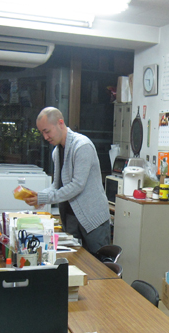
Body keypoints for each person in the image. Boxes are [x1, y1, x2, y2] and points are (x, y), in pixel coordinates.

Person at [24, 107, 110, 256]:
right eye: (42, 133)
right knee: (72, 262)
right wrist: (39, 195)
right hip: (71, 218)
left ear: (60, 123)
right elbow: (57, 185)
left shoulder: (82, 146)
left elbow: (77, 185)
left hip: (93, 220)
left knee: (98, 264)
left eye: (47, 131)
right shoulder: (57, 152)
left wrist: (44, 198)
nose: (45, 137)